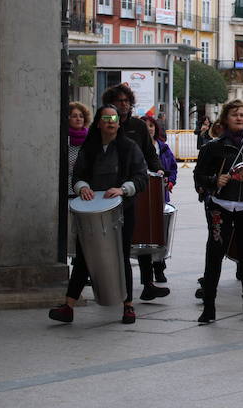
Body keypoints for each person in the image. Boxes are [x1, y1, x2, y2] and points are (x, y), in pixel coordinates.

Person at [49, 105, 148, 324]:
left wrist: (123, 189)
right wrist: (83, 187)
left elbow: (141, 177)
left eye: (114, 119)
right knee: (83, 257)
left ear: (119, 123)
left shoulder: (129, 147)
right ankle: (68, 306)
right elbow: (77, 176)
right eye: (106, 118)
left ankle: (128, 306)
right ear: (98, 123)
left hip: (122, 210)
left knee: (121, 255)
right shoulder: (89, 147)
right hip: (91, 213)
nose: (111, 122)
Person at [194, 99, 243, 323]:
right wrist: (214, 180)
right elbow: (198, 176)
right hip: (220, 206)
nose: (239, 118)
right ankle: (209, 306)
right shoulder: (213, 146)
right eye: (235, 114)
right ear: (225, 119)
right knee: (214, 254)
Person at [101, 84, 169, 302]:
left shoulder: (138, 126)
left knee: (143, 234)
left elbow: (150, 153)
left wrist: (159, 169)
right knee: (113, 239)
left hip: (135, 186)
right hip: (109, 190)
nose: (124, 104)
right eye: (119, 101)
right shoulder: (103, 123)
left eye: (127, 101)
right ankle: (112, 284)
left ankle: (148, 284)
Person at [141, 114, 177, 283]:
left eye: (151, 125)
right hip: (141, 197)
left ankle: (159, 268)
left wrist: (171, 181)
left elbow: (173, 168)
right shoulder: (135, 147)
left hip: (160, 196)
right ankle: (147, 274)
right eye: (145, 125)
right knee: (144, 236)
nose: (149, 128)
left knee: (160, 233)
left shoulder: (163, 147)